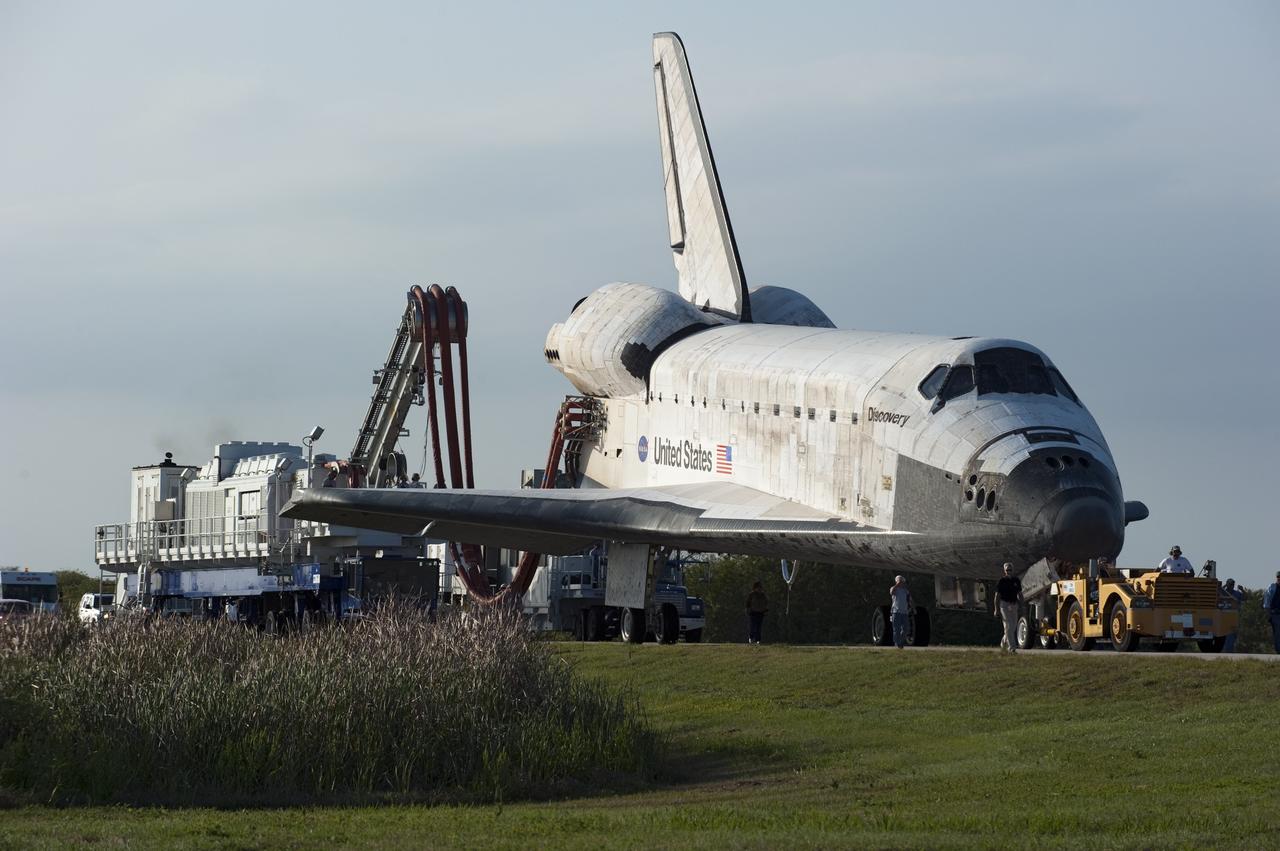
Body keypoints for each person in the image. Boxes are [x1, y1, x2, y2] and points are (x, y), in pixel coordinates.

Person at [995, 563, 1023, 653]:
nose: (1009, 572)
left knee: (1013, 626)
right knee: (1008, 625)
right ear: (1004, 571)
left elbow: (1020, 594)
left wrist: (1022, 605)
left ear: (1013, 570)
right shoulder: (1001, 581)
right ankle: (1012, 648)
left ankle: (1003, 642)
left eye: (1010, 570)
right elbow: (997, 596)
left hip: (1014, 604)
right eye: (1007, 570)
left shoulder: (1016, 580)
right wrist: (996, 609)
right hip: (1004, 605)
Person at [889, 575, 913, 649]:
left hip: (904, 612)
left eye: (901, 581)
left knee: (906, 628)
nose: (901, 583)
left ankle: (900, 641)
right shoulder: (894, 588)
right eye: (899, 581)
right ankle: (897, 643)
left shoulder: (906, 591)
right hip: (896, 612)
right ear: (897, 581)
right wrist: (897, 585)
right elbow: (891, 592)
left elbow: (910, 600)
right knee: (897, 629)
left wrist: (912, 607)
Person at [1222, 578, 1246, 652]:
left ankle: (1229, 650)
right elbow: (1217, 591)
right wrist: (1224, 586)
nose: (1231, 586)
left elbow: (1245, 598)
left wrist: (1242, 590)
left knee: (1232, 634)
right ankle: (1224, 651)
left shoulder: (1236, 593)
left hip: (1234, 617)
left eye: (1232, 584)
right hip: (1223, 617)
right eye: (1230, 584)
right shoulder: (1223, 593)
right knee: (1224, 635)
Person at [1265, 571, 1280, 654]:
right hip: (1275, 614)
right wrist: (1269, 615)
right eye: (1278, 577)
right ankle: (1278, 651)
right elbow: (1266, 602)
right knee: (1277, 633)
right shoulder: (1272, 587)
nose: (1279, 578)